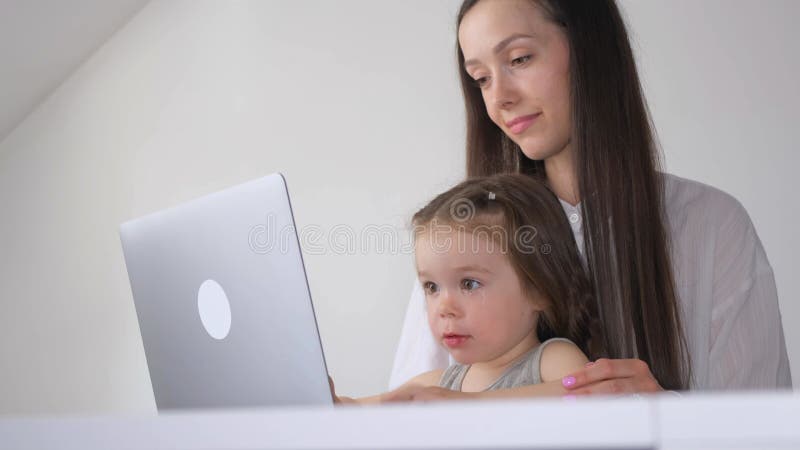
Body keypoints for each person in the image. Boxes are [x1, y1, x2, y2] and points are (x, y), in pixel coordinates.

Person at [387, 0, 792, 400]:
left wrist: (660, 414)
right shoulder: (462, 241)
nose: (498, 99)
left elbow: (762, 427)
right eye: (481, 79)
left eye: (520, 59)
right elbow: (409, 415)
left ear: (589, 47)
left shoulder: (714, 226)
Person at [332, 174, 601, 404]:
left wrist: (470, 403)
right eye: (431, 287)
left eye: (469, 284)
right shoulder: (440, 383)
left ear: (537, 290)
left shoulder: (552, 360)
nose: (444, 307)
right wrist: (335, 403)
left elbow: (590, 395)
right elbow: (363, 409)